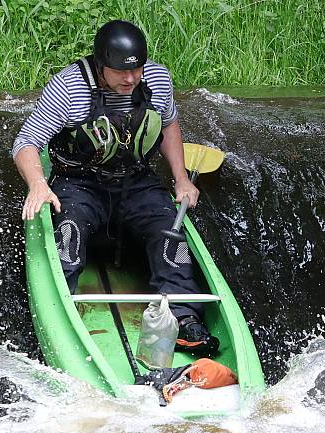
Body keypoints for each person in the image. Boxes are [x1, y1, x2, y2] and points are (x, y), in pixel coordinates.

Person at [12, 20, 219, 356]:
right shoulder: (68, 87)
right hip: (80, 183)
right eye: (121, 72)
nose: (131, 79)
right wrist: (37, 185)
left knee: (171, 232)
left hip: (137, 181)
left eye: (136, 70)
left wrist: (181, 179)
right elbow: (26, 142)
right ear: (100, 64)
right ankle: (64, 311)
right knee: (68, 232)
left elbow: (168, 126)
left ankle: (184, 317)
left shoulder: (158, 79)